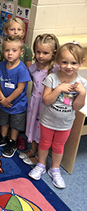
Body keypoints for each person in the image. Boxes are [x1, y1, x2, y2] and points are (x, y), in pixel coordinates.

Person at [28, 42, 87, 189]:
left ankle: (55, 168)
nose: (69, 66)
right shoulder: (52, 78)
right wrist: (59, 89)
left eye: (74, 63)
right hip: (47, 121)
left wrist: (83, 93)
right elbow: (46, 100)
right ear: (58, 61)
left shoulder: (81, 82)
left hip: (65, 123)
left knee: (58, 146)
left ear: (81, 62)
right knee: (44, 144)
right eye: (65, 62)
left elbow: (77, 106)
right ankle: (41, 165)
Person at [19, 34, 60, 166]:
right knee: (33, 127)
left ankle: (40, 156)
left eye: (45, 53)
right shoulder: (33, 68)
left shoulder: (56, 69)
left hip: (47, 105)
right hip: (34, 104)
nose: (41, 56)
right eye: (38, 52)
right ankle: (33, 150)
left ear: (53, 53)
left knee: (43, 131)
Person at [0, 35, 31, 158]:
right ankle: (2, 137)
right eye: (7, 50)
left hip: (17, 104)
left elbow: (20, 88)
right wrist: (2, 97)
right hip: (3, 102)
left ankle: (12, 142)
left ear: (21, 52)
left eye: (14, 50)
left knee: (15, 125)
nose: (10, 54)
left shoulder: (22, 69)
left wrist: (8, 100)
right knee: (3, 121)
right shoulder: (1, 66)